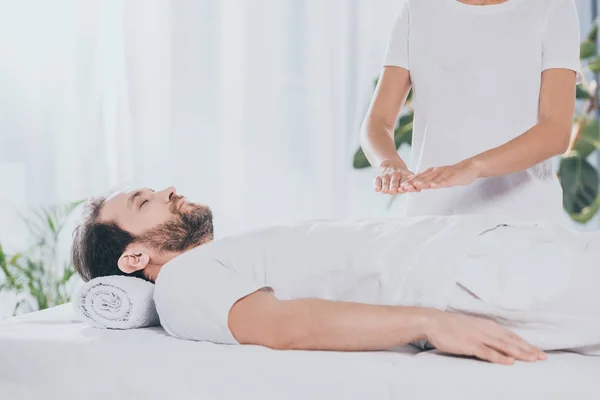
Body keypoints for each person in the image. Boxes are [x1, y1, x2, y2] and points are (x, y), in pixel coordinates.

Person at [72, 186, 600, 365]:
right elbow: (281, 326)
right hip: (467, 274)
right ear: (133, 259)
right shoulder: (182, 283)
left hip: (482, 251)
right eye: (144, 202)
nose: (166, 191)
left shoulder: (216, 260)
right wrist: (431, 323)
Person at [361, 0, 581, 222]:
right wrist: (388, 163)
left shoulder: (552, 6)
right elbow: (378, 120)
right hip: (430, 220)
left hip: (524, 220)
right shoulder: (417, 8)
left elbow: (555, 131)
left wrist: (472, 167)